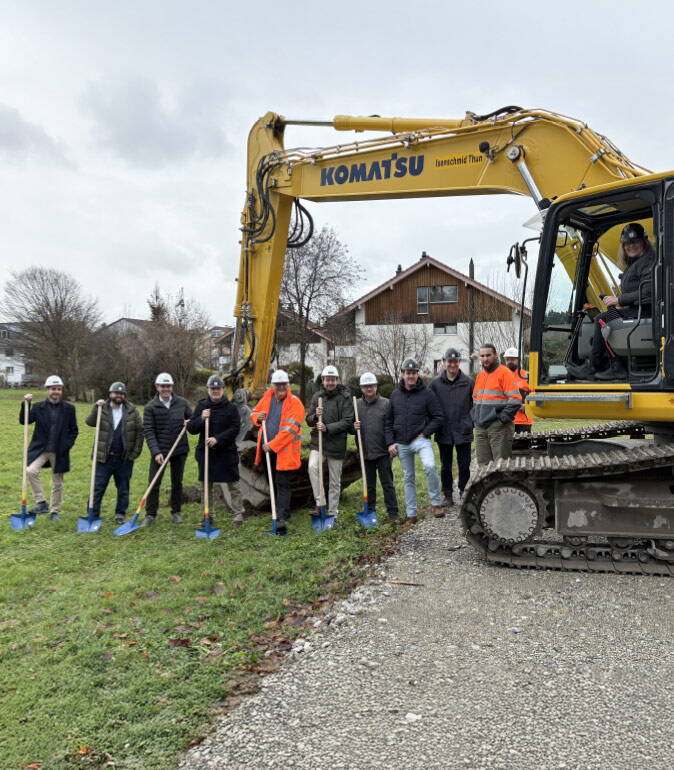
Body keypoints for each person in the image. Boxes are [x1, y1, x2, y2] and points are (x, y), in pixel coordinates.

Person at [568, 222, 657, 381]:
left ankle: (599, 366)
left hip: (647, 311)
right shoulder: (637, 263)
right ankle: (613, 365)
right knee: (604, 317)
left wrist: (619, 299)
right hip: (639, 310)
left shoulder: (648, 260)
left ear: (644, 241)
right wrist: (616, 300)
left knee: (602, 319)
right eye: (627, 243)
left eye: (635, 242)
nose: (631, 246)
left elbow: (648, 291)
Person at [386, 358, 444, 523]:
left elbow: (438, 417)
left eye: (413, 373)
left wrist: (425, 433)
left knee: (430, 466)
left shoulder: (427, 393)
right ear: (403, 374)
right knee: (408, 477)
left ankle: (436, 503)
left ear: (417, 374)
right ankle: (411, 514)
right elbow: (388, 421)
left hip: (420, 440)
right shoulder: (395, 395)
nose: (411, 376)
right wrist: (391, 442)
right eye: (408, 373)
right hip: (401, 443)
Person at [251, 369, 305, 534]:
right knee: (272, 481)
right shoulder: (267, 397)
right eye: (278, 384)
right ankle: (279, 509)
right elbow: (254, 412)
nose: (281, 387)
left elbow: (290, 430)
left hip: (284, 451)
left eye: (283, 384)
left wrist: (272, 445)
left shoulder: (295, 403)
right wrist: (257, 418)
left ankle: (281, 517)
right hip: (268, 450)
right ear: (272, 385)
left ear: (287, 385)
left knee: (282, 483)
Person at [188, 375, 246, 527]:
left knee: (234, 485)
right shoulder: (202, 406)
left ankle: (238, 514)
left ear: (223, 390)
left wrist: (218, 439)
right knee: (206, 487)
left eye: (218, 388)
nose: (215, 391)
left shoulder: (231, 408)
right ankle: (208, 515)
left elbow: (235, 429)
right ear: (208, 390)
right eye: (212, 389)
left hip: (226, 452)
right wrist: (201, 418)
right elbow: (192, 429)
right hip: (207, 453)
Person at [20, 375, 78, 521]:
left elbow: (74, 430)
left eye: (58, 389)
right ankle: (41, 502)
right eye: (53, 389)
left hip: (59, 451)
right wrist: (26, 404)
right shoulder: (38, 407)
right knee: (31, 471)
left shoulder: (69, 409)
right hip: (41, 449)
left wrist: (67, 445)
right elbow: (24, 421)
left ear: (61, 391)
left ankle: (55, 511)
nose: (56, 392)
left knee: (57, 482)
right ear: (47, 390)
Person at [86, 382, 143, 524]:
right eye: (116, 393)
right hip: (103, 458)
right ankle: (93, 514)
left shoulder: (132, 411)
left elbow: (140, 432)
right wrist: (95, 407)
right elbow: (90, 422)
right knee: (97, 488)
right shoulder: (102, 408)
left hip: (124, 458)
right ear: (110, 394)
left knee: (123, 488)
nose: (119, 396)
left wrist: (135, 453)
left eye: (121, 393)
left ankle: (120, 513)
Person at [142, 372, 192, 526]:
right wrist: (156, 452)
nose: (165, 389)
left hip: (179, 449)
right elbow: (149, 431)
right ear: (157, 387)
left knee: (177, 482)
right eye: (162, 386)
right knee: (154, 482)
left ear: (172, 387)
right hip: (160, 451)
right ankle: (150, 514)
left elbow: (193, 421)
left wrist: (190, 422)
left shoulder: (182, 403)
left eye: (168, 386)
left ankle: (176, 512)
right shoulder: (151, 407)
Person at [306, 365, 354, 521]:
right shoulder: (317, 397)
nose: (330, 382)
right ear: (323, 380)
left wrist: (327, 428)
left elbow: (347, 421)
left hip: (337, 443)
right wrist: (314, 416)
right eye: (328, 380)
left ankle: (333, 512)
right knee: (313, 466)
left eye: (333, 380)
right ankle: (320, 504)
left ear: (337, 380)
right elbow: (308, 420)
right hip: (318, 442)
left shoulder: (345, 397)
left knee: (335, 480)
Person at [429, 348, 473, 506]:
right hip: (444, 431)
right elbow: (429, 407)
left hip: (463, 430)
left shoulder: (468, 382)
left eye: (455, 361)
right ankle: (448, 495)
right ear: (444, 362)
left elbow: (475, 405)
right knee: (445, 466)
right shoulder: (435, 384)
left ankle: (465, 492)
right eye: (449, 361)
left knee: (464, 465)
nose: (452, 364)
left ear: (459, 362)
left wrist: (470, 421)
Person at [353, 372, 399, 522]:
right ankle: (370, 511)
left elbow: (391, 427)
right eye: (366, 386)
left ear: (376, 386)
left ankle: (393, 512)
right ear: (361, 388)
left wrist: (392, 444)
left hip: (383, 452)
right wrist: (353, 427)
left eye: (371, 385)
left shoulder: (386, 404)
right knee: (369, 485)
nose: (369, 388)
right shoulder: (356, 405)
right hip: (365, 452)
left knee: (387, 483)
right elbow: (349, 428)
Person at [472, 344, 522, 465]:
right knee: (483, 467)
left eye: (488, 355)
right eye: (482, 356)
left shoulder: (505, 373)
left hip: (498, 427)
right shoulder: (480, 376)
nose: (485, 358)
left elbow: (516, 399)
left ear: (495, 356)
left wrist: (501, 419)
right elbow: (475, 400)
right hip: (480, 427)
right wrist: (475, 418)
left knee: (501, 467)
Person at [503, 347, 532, 434]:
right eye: (507, 359)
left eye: (512, 359)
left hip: (523, 421)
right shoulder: (500, 376)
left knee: (523, 446)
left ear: (519, 360)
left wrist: (526, 406)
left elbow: (535, 395)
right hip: (505, 420)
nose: (509, 361)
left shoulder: (528, 376)